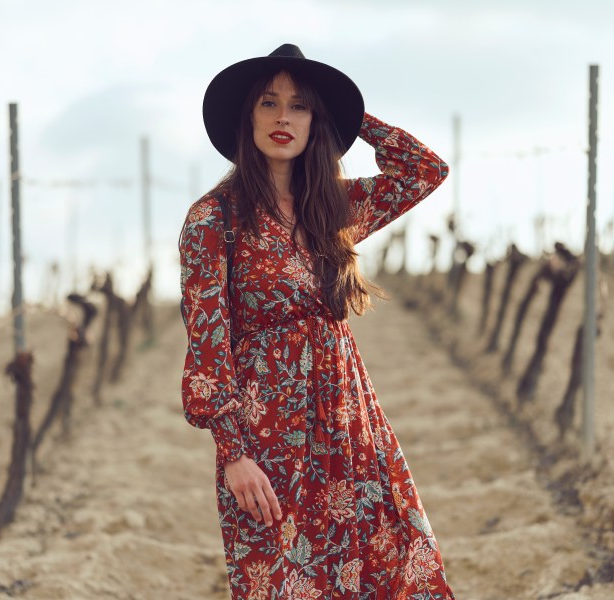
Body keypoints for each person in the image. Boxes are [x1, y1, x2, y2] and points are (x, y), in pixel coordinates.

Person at [179, 43, 454, 599]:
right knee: (285, 582)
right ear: (246, 117)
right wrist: (233, 453)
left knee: (384, 562)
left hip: (348, 418)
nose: (283, 117)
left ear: (315, 121)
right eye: (268, 103)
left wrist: (351, 118)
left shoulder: (333, 208)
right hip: (268, 437)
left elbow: (425, 170)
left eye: (300, 106)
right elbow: (206, 341)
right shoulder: (214, 219)